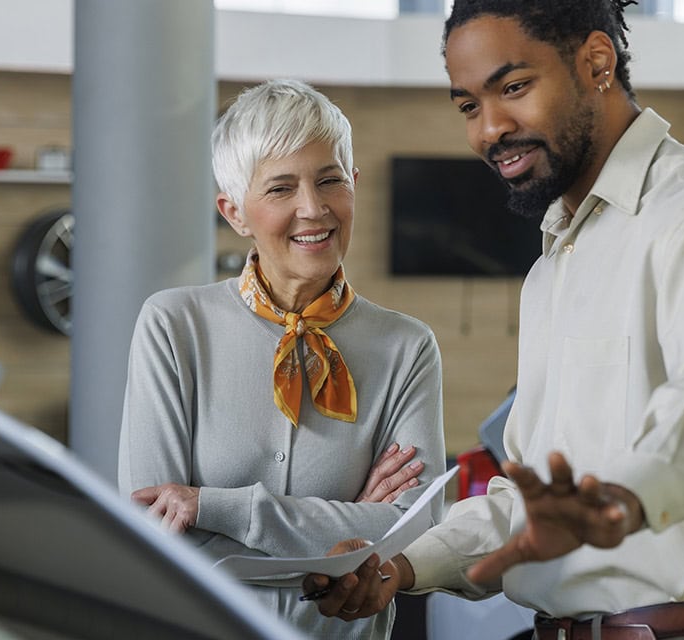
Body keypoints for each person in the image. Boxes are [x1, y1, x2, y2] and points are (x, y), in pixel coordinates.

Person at [305, 2, 684, 638]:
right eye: (467, 107)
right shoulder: (553, 264)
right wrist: (398, 569)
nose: (489, 130)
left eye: (513, 88)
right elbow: (528, 501)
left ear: (596, 61)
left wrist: (620, 503)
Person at [118, 78, 447, 640]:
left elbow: (409, 530)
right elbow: (156, 528)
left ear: (354, 186)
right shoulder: (174, 327)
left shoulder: (406, 346)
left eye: (330, 180)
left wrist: (211, 507)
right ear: (234, 211)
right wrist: (342, 533)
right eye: (280, 188)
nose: (313, 208)